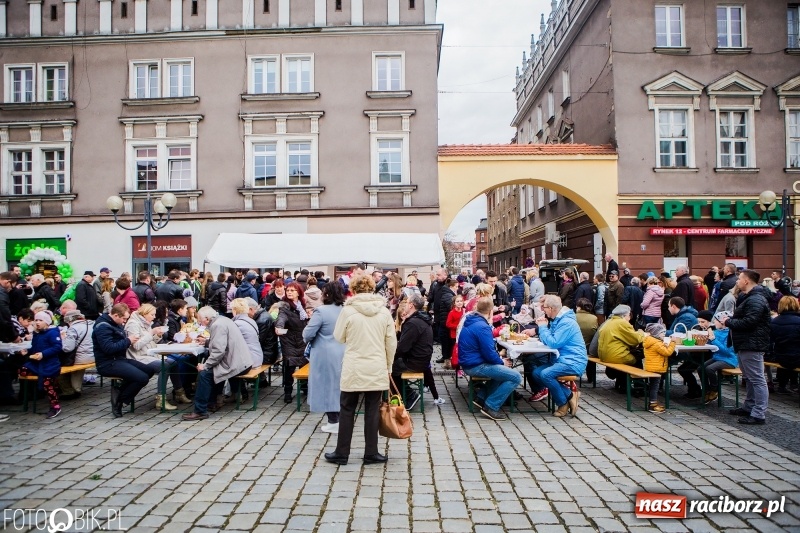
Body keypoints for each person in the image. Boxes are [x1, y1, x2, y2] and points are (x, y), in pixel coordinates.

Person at [325, 275, 396, 466]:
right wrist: (388, 366)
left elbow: (339, 337)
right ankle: (371, 452)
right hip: (376, 365)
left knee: (347, 408)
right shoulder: (383, 312)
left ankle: (342, 452)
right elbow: (391, 343)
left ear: (353, 290)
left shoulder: (348, 311)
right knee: (372, 410)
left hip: (354, 366)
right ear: (372, 289)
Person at [719, 269, 771, 425]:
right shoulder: (748, 297)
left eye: (739, 278)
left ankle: (759, 413)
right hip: (745, 342)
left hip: (752, 343)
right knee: (748, 377)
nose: (737, 281)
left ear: (746, 281)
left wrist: (728, 322)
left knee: (757, 379)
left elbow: (749, 322)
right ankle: (749, 407)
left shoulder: (756, 299)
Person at [181, 307, 252, 421]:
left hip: (237, 364)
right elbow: (221, 344)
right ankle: (211, 403)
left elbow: (218, 352)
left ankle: (200, 411)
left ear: (207, 318)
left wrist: (205, 365)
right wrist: (207, 342)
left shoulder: (217, 325)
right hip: (241, 361)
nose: (199, 322)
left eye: (200, 319)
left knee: (205, 374)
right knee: (212, 371)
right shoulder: (223, 320)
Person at [457, 297, 522, 421]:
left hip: (470, 362)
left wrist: (500, 362)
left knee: (502, 371)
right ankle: (491, 406)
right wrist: (501, 361)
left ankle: (481, 398)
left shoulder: (472, 320)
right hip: (475, 365)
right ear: (490, 311)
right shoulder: (482, 326)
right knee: (516, 377)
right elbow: (489, 353)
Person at [92, 303, 154, 417]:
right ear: (116, 315)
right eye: (124, 319)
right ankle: (119, 401)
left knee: (149, 370)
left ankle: (120, 390)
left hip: (120, 359)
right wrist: (128, 341)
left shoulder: (116, 323)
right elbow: (108, 348)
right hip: (107, 363)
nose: (124, 322)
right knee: (142, 378)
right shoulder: (103, 327)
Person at [533, 295, 587, 417]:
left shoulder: (566, 322)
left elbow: (553, 343)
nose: (543, 310)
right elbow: (549, 340)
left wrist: (542, 327)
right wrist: (543, 329)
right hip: (561, 359)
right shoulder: (557, 320)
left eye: (544, 307)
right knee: (536, 373)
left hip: (573, 361)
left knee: (546, 374)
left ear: (551, 308)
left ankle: (562, 404)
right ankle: (570, 395)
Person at [303, 282, 346, 433]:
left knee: (327, 387)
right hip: (343, 351)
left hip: (325, 353)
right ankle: (340, 419)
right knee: (338, 386)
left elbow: (307, 334)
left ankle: (333, 421)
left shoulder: (321, 311)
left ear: (326, 294)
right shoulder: (345, 310)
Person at [392, 294, 444, 410]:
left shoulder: (413, 323)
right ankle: (407, 394)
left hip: (415, 362)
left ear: (411, 305)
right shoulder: (422, 318)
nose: (405, 305)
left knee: (388, 369)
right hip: (421, 360)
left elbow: (403, 348)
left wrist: (390, 358)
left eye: (407, 303)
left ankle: (409, 396)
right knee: (393, 365)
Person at [124, 303, 179, 411]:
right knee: (165, 366)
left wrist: (157, 336)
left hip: (148, 354)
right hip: (138, 357)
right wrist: (151, 333)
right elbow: (136, 345)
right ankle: (161, 399)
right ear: (144, 314)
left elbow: (149, 342)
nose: (154, 317)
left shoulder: (146, 323)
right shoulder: (133, 324)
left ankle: (179, 392)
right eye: (152, 315)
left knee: (174, 362)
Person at [17, 311, 62, 419]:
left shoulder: (52, 333)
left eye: (40, 320)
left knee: (47, 382)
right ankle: (33, 391)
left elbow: (57, 347)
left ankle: (55, 406)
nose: (37, 322)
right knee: (22, 370)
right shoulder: (37, 334)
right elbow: (34, 348)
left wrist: (43, 354)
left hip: (50, 364)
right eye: (36, 320)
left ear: (46, 322)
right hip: (36, 363)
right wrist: (27, 352)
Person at [598, 304, 646, 392]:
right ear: (623, 315)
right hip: (614, 356)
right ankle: (639, 387)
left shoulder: (609, 321)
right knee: (637, 359)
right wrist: (642, 333)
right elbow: (635, 340)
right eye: (628, 315)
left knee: (630, 355)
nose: (629, 318)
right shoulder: (622, 323)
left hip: (604, 355)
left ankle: (622, 383)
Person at [276, 282, 309, 404]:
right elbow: (281, 318)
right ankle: (288, 392)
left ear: (298, 293)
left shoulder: (302, 305)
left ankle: (305, 387)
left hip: (302, 340)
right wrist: (279, 327)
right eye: (288, 290)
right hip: (289, 342)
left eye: (292, 290)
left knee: (304, 364)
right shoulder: (284, 307)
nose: (289, 292)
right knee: (289, 367)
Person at [700, 311, 738, 404]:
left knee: (709, 369)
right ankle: (707, 390)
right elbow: (711, 344)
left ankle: (714, 389)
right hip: (718, 357)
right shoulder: (717, 332)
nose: (714, 322)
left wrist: (713, 339)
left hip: (729, 359)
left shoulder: (730, 334)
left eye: (716, 320)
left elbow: (727, 351)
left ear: (722, 322)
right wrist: (706, 337)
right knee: (701, 368)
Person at [58, 310, 94, 400]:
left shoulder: (73, 329)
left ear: (70, 320)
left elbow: (67, 348)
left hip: (80, 358)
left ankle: (68, 391)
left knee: (57, 366)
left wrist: (63, 339)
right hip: (92, 356)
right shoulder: (91, 325)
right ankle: (76, 388)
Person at [642, 322, 676, 413]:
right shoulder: (656, 343)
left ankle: (653, 403)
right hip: (656, 368)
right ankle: (652, 405)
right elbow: (667, 352)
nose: (664, 334)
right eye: (662, 333)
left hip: (651, 367)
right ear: (656, 334)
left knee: (653, 385)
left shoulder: (651, 341)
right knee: (655, 386)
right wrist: (673, 342)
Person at [769, 296, 800, 395]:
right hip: (796, 357)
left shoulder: (774, 321)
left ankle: (783, 386)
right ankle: (793, 384)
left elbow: (771, 340)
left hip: (780, 357)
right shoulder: (798, 321)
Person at [445, 294, 466, 370]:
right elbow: (448, 324)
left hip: (463, 334)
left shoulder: (464, 311)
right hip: (454, 335)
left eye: (461, 301)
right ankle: (455, 364)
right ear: (454, 303)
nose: (459, 303)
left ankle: (462, 364)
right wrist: (457, 326)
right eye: (457, 301)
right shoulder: (452, 313)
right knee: (456, 350)